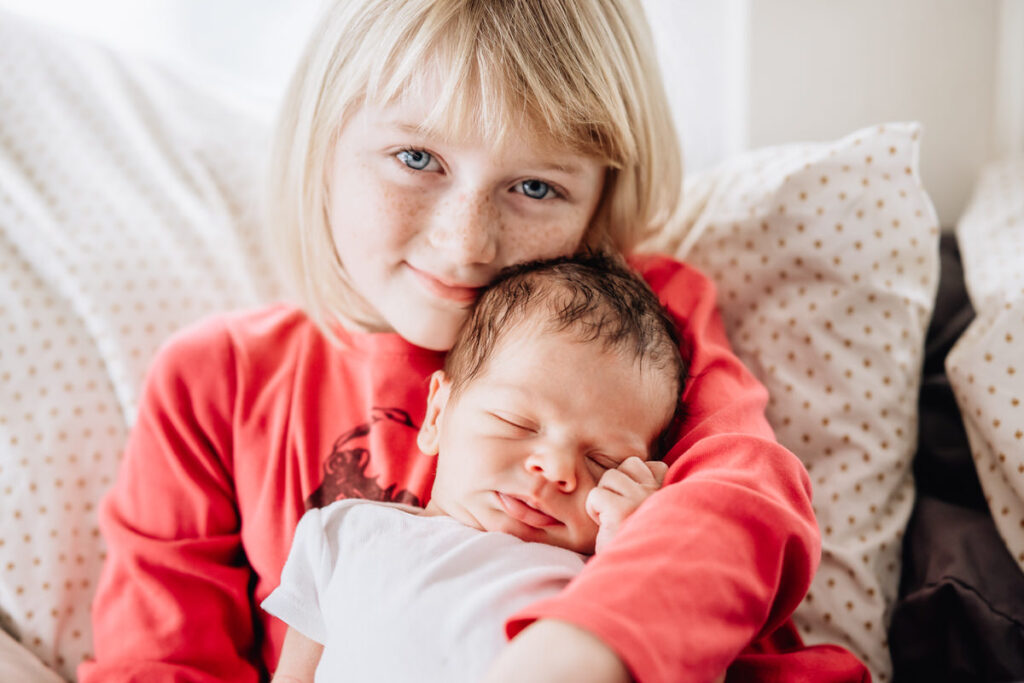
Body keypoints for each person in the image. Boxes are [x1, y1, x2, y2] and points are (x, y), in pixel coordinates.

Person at [82, 1, 870, 681]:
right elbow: (160, 657)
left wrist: (579, 651)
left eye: (535, 187)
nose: (466, 242)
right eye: (416, 158)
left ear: (601, 197)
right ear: (324, 149)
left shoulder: (644, 325)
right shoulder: (215, 382)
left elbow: (739, 500)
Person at [262, 253, 687, 682]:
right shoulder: (343, 536)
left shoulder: (598, 578)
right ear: (437, 415)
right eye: (516, 423)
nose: (557, 468)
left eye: (603, 462)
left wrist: (636, 548)